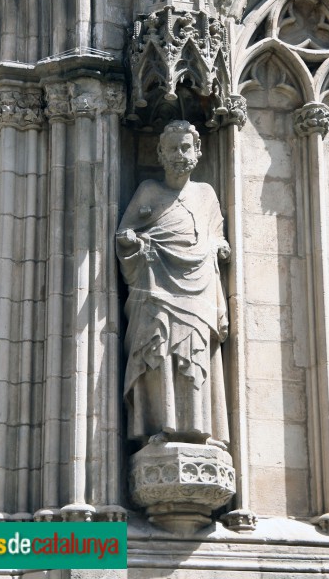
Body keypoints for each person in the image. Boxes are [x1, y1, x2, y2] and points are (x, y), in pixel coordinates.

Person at [117, 120, 230, 447]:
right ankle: (161, 427)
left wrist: (218, 248)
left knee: (196, 353)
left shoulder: (206, 194)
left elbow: (217, 237)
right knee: (160, 350)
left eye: (186, 147)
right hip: (158, 286)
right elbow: (124, 237)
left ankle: (201, 430)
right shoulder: (149, 192)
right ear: (160, 153)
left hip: (198, 288)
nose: (179, 155)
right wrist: (131, 242)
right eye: (172, 148)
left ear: (197, 151)